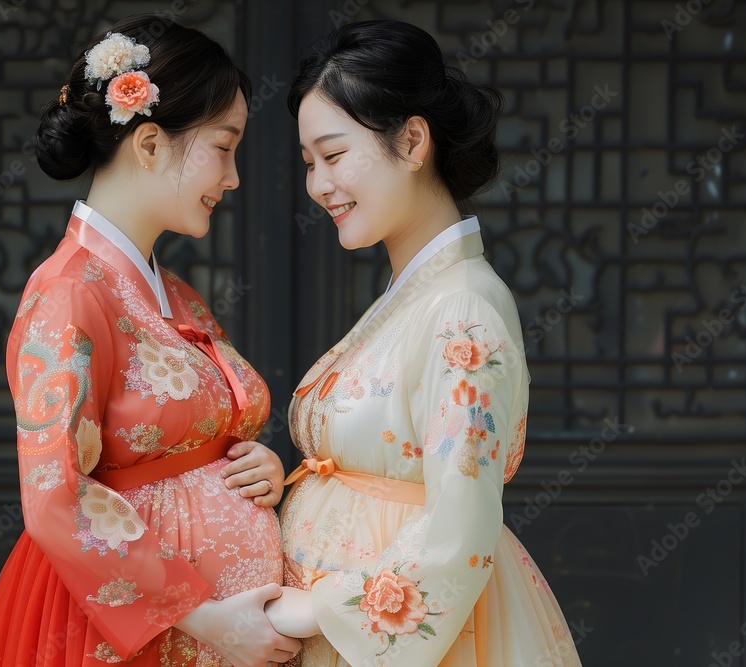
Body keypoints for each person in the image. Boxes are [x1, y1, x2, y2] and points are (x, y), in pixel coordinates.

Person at [0, 15, 301, 667]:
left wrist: (252, 463)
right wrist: (202, 617)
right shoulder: (68, 292)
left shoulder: (173, 291)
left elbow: (197, 438)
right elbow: (57, 490)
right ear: (149, 143)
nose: (233, 178)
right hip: (125, 629)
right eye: (224, 145)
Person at [263, 20, 582, 666]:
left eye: (333, 155)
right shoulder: (413, 296)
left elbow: (460, 523)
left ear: (412, 141)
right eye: (308, 163)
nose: (318, 185)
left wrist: (318, 608)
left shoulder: (461, 305)